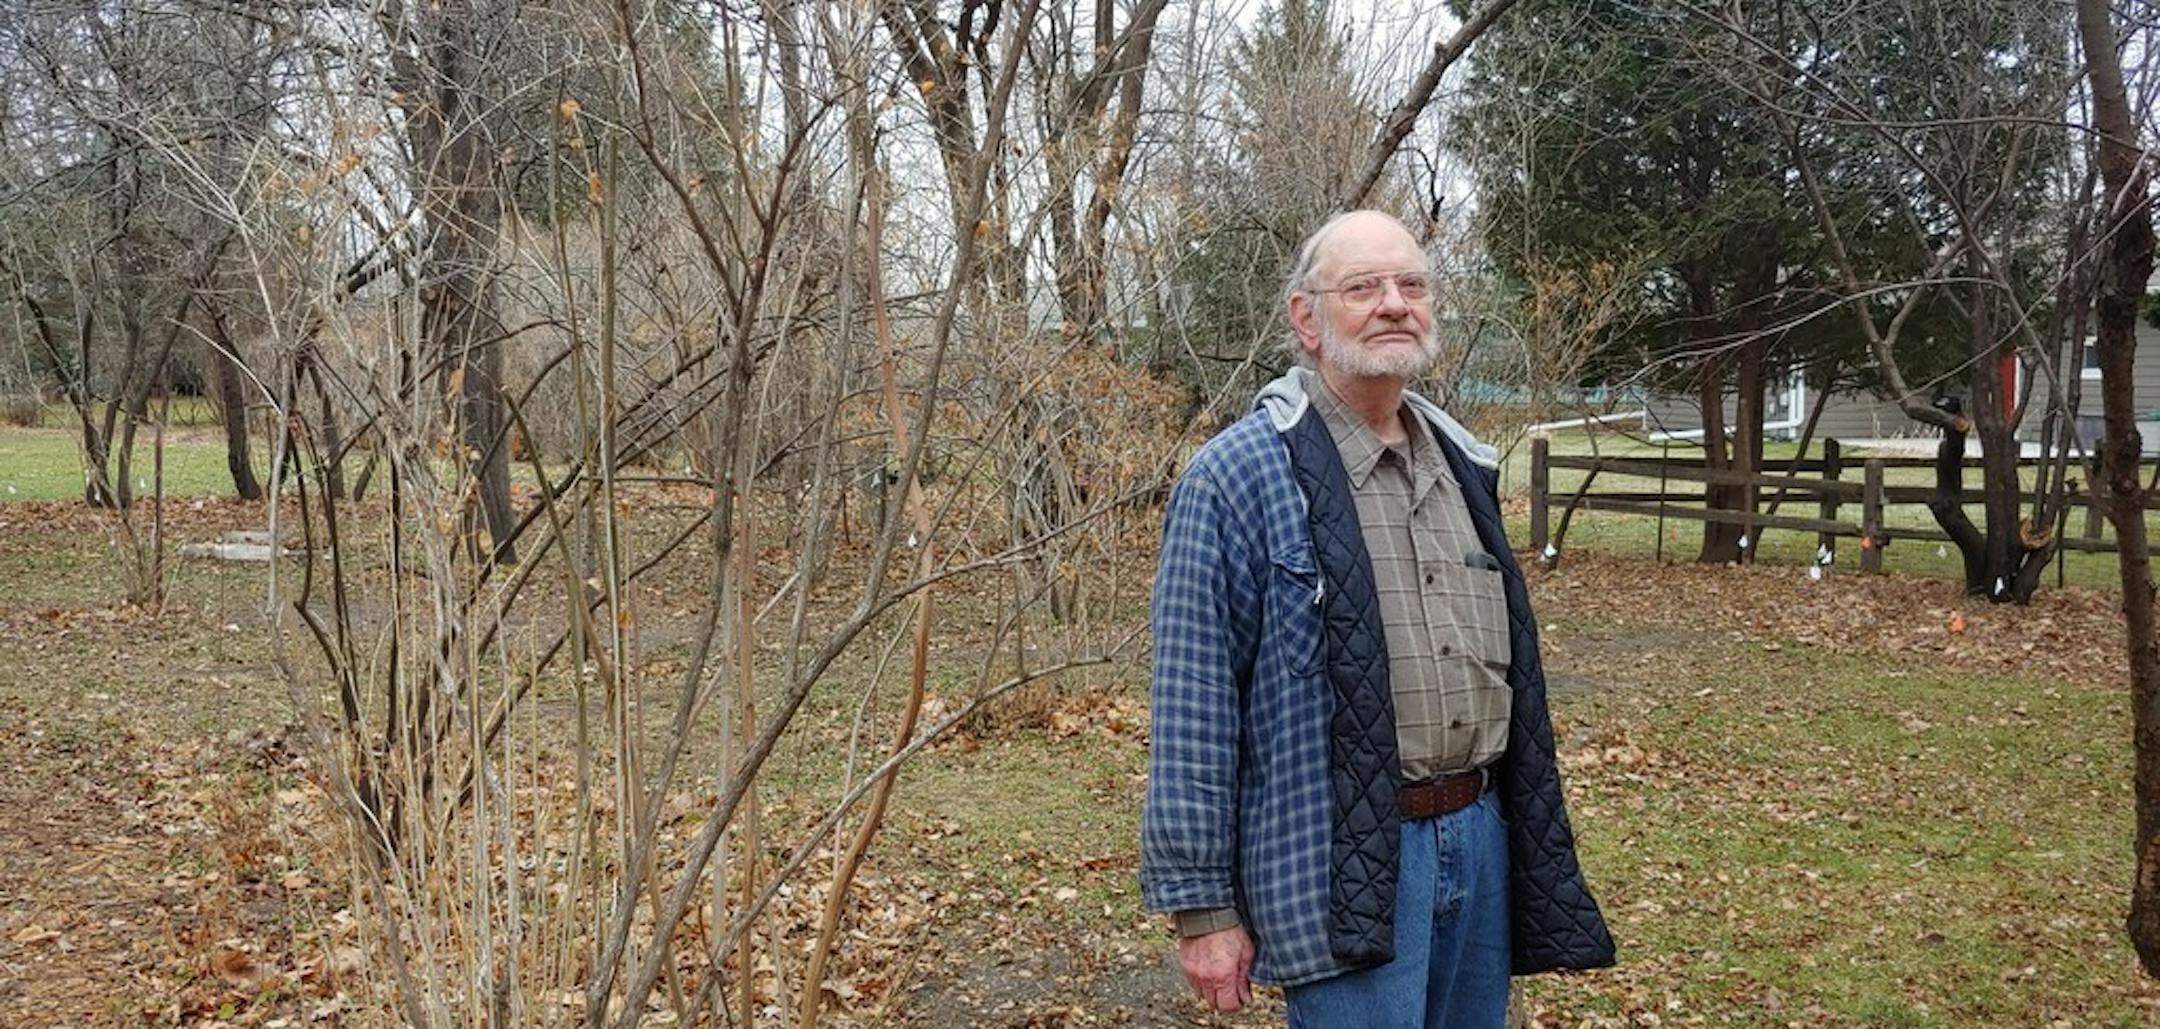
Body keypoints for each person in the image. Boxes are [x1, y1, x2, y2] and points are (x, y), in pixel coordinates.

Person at [1140, 210, 1615, 1027]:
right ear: (1306, 318)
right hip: (1341, 857)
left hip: (1481, 833)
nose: (1394, 303)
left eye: (1412, 285)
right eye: (1363, 287)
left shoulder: (1465, 465)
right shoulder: (1237, 476)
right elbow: (1193, 705)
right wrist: (1202, 908)